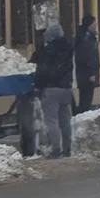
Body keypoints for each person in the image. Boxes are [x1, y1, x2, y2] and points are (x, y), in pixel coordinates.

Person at [31, 23, 74, 158]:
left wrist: (38, 86)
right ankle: (67, 149)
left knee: (51, 120)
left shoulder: (48, 51)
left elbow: (42, 71)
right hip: (66, 89)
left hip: (51, 89)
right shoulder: (68, 48)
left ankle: (56, 149)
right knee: (65, 120)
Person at [73, 15, 100, 114]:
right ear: (89, 25)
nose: (96, 25)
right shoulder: (86, 38)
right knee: (86, 100)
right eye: (94, 23)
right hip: (86, 75)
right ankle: (82, 117)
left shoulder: (87, 37)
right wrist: (91, 73)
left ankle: (82, 115)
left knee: (86, 99)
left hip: (84, 74)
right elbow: (86, 57)